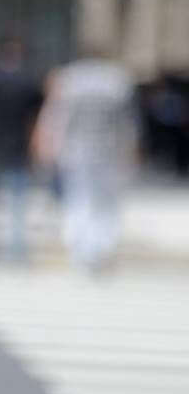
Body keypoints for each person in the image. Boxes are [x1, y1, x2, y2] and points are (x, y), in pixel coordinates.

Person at [33, 49, 138, 273]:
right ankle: (98, 249)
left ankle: (82, 250)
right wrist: (130, 152)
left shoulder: (70, 80)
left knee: (78, 199)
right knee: (104, 203)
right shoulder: (116, 82)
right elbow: (127, 125)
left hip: (76, 152)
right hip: (107, 151)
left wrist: (48, 148)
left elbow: (55, 120)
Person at [0, 39, 44, 262]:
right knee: (17, 203)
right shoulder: (28, 84)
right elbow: (36, 118)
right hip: (18, 146)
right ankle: (16, 251)